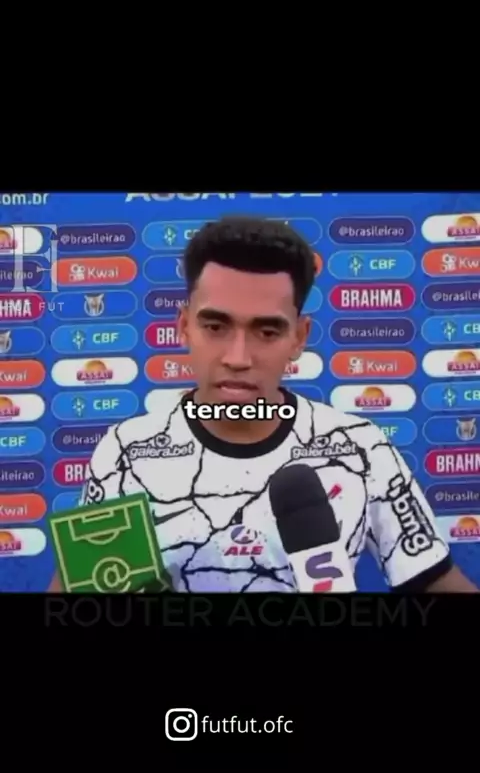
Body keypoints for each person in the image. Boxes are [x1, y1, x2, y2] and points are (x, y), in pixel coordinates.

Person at [49, 215, 477, 592]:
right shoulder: (127, 454)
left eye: (267, 332)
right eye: (215, 326)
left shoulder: (361, 449)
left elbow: (437, 581)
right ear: (183, 326)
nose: (238, 357)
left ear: (299, 338)